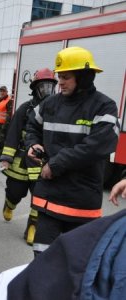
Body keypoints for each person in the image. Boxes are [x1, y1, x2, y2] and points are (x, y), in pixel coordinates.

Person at [25, 46, 119, 256]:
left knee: (74, 265)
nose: (60, 82)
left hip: (81, 204)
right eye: (60, 76)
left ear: (84, 77)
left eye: (66, 77)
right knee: (42, 261)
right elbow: (32, 126)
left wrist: (55, 165)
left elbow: (96, 147)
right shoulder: (50, 104)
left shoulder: (104, 106)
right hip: (48, 200)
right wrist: (32, 144)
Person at [0, 68, 57, 245]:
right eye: (42, 86)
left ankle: (32, 227)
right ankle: (10, 203)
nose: (46, 90)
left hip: (42, 162)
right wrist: (7, 158)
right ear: (35, 88)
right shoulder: (26, 109)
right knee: (16, 191)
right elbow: (13, 133)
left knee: (39, 197)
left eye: (50, 86)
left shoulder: (57, 109)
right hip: (22, 160)